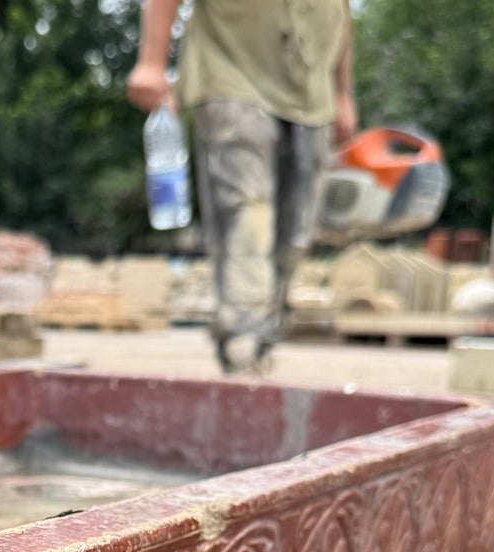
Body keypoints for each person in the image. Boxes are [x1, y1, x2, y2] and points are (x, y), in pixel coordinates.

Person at [129, 0, 356, 373]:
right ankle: (243, 344)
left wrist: (343, 92)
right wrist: (153, 60)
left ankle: (262, 336)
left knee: (296, 231)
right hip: (232, 69)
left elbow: (342, 10)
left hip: (311, 89)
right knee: (248, 211)